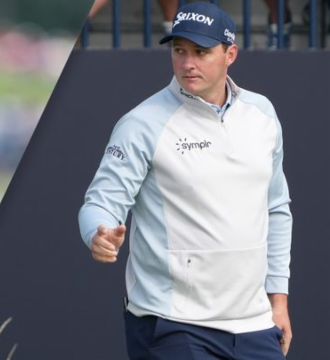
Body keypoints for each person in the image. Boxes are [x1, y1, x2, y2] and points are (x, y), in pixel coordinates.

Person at [79, 2, 292, 359]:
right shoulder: (141, 123)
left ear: (230, 54)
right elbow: (100, 203)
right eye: (179, 51)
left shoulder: (262, 113)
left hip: (255, 325)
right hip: (172, 325)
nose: (187, 63)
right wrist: (97, 233)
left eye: (201, 52)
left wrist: (278, 300)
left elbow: (277, 208)